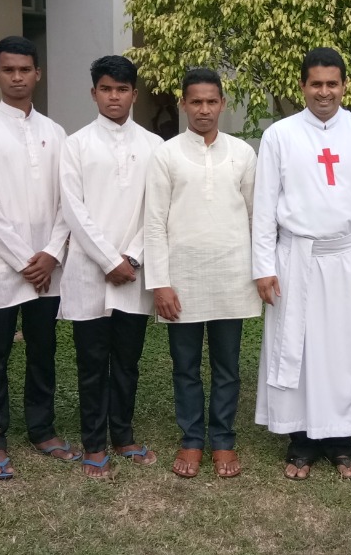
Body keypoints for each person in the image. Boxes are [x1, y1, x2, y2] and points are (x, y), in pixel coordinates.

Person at [253, 47, 351, 480]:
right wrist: (263, 267)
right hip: (295, 258)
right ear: (302, 86)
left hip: (348, 259)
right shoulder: (280, 135)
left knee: (344, 351)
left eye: (332, 83)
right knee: (299, 347)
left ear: (345, 86)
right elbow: (264, 206)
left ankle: (342, 441)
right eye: (316, 84)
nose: (324, 92)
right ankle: (301, 440)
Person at [0, 36, 73, 480]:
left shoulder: (55, 132)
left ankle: (41, 428)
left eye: (24, 69)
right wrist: (26, 260)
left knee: (43, 350)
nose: (17, 77)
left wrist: (51, 253)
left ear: (37, 74)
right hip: (2, 267)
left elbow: (68, 201)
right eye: (8, 70)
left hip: (48, 267)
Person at [145, 68, 258, 479]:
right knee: (185, 366)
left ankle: (223, 440)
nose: (204, 109)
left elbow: (256, 217)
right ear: (183, 104)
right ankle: (192, 439)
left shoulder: (243, 154)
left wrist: (260, 272)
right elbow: (154, 222)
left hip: (232, 275)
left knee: (227, 366)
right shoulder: (166, 154)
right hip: (183, 279)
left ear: (223, 104)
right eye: (196, 101)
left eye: (212, 101)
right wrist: (160, 283)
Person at [59, 54, 163, 478]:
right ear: (94, 93)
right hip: (89, 271)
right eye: (106, 89)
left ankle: (123, 435)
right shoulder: (76, 145)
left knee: (126, 361)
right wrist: (107, 258)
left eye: (122, 90)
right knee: (91, 362)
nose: (114, 97)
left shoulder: (154, 146)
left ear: (134, 94)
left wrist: (131, 257)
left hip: (133, 272)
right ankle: (93, 443)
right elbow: (73, 208)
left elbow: (157, 209)